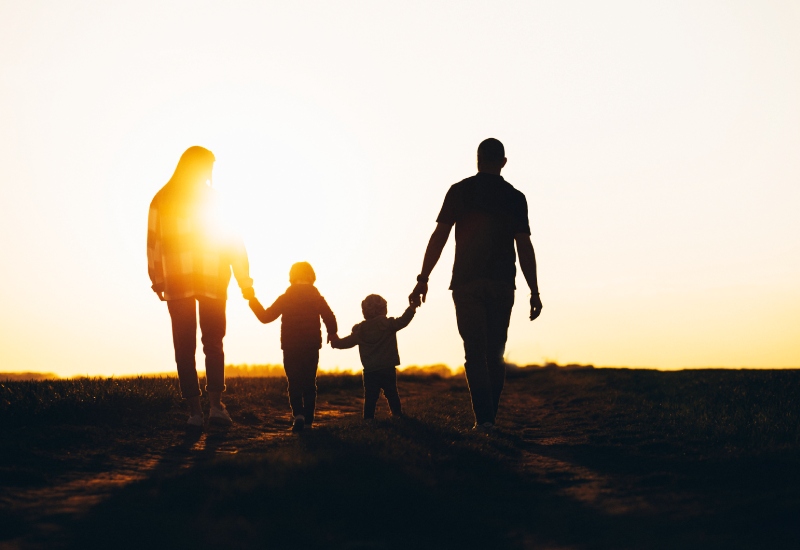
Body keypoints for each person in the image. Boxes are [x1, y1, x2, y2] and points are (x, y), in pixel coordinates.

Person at [408, 138, 543, 433]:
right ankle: (488, 419)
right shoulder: (515, 197)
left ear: (478, 159)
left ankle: (484, 420)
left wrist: (423, 278)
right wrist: (534, 290)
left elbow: (439, 236)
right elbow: (525, 246)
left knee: (474, 354)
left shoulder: (460, 191)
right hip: (502, 283)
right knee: (494, 354)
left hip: (467, 283)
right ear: (503, 162)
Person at [147, 146, 254, 429]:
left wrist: (157, 277)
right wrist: (244, 280)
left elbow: (153, 242)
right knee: (211, 343)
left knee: (186, 346)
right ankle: (213, 407)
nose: (211, 173)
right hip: (210, 278)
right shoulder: (206, 200)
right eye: (208, 166)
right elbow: (233, 244)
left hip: (187, 279)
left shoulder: (162, 198)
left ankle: (198, 413)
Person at [248, 262, 337, 432]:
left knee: (294, 381)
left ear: (292, 277)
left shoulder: (286, 297)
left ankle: (298, 416)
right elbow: (329, 317)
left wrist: (252, 300)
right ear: (312, 277)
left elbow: (266, 317)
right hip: (311, 345)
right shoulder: (316, 297)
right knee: (310, 382)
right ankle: (309, 420)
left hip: (290, 345)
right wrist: (332, 333)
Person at [331, 294, 418, 420]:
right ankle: (398, 416)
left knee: (370, 398)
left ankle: (368, 420)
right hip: (387, 368)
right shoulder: (388, 324)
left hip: (370, 371)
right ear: (383, 309)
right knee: (392, 394)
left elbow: (346, 343)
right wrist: (412, 307)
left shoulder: (360, 330)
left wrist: (335, 342)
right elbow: (404, 320)